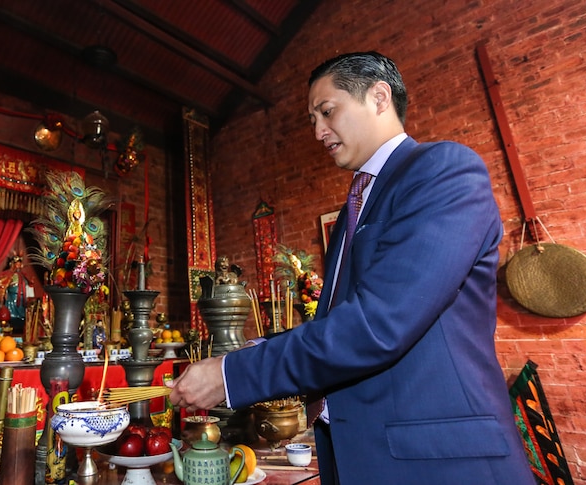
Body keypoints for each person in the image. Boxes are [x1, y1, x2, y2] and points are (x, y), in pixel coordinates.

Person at [166, 52, 534, 485]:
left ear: (379, 97)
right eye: (312, 120)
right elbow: (343, 319)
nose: (319, 131)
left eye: (327, 111)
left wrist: (232, 376)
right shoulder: (353, 209)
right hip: (362, 456)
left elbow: (380, 323)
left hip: (438, 461)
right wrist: (252, 349)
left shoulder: (442, 171)